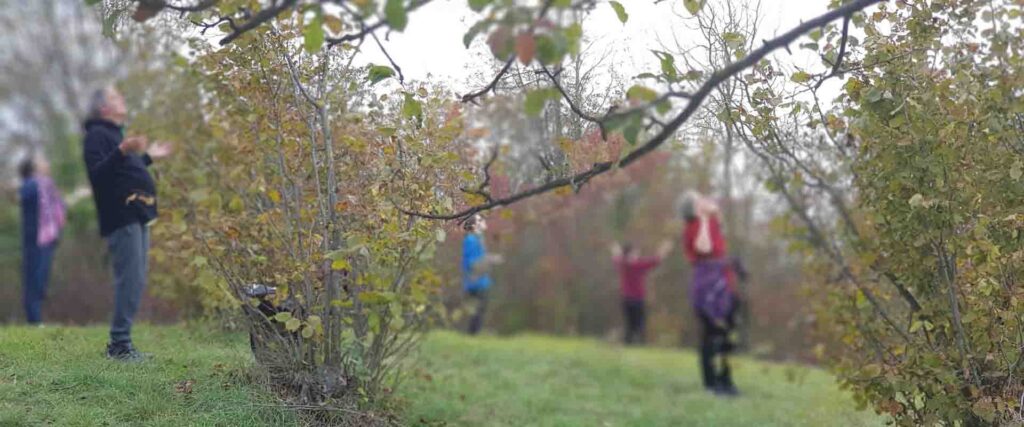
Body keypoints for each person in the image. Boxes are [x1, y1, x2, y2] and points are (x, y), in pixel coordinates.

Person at [82, 86, 172, 361]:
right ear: (104, 108)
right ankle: (119, 346)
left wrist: (147, 157)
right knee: (129, 280)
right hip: (121, 216)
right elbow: (98, 174)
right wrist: (123, 149)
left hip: (137, 213)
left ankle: (123, 344)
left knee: (137, 279)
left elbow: (125, 170)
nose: (123, 99)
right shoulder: (97, 134)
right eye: (116, 97)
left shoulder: (114, 135)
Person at [681, 192, 742, 396]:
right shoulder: (694, 227)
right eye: (701, 199)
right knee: (711, 336)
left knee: (727, 336)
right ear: (694, 207)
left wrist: (712, 213)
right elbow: (704, 248)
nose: (707, 200)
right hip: (707, 289)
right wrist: (705, 218)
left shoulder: (713, 223)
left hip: (723, 285)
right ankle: (711, 383)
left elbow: (721, 221)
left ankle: (726, 380)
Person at [19, 154, 66, 325]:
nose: (47, 162)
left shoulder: (47, 185)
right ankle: (34, 319)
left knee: (42, 279)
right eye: (42, 160)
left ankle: (36, 318)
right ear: (34, 167)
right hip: (36, 239)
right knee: (34, 278)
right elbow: (22, 196)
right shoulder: (32, 184)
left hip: (48, 238)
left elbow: (58, 207)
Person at [611, 240, 672, 345]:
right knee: (638, 324)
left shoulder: (623, 264)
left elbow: (617, 257)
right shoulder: (638, 265)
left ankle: (630, 343)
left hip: (627, 299)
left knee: (631, 324)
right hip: (636, 299)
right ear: (629, 254)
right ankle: (636, 343)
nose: (637, 255)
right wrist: (664, 249)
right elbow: (656, 260)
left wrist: (616, 250)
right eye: (635, 253)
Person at [461, 214, 502, 335]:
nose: (483, 221)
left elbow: (479, 258)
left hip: (480, 281)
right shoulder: (471, 240)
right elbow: (471, 263)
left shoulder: (478, 239)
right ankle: (472, 335)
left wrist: (492, 258)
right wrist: (489, 260)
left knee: (479, 310)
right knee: (477, 310)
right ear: (473, 226)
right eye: (479, 220)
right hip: (474, 281)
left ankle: (474, 334)